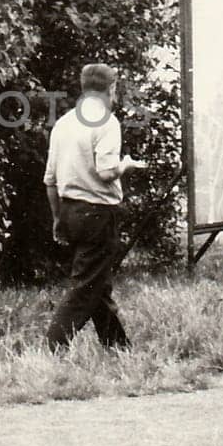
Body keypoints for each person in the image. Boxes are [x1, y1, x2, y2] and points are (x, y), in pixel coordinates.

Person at [44, 64, 148, 350]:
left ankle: (118, 347)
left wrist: (57, 218)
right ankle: (54, 345)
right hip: (98, 213)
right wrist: (125, 165)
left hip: (69, 209)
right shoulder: (107, 122)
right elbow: (105, 171)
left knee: (98, 283)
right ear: (111, 89)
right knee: (86, 285)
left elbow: (50, 179)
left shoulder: (64, 122)